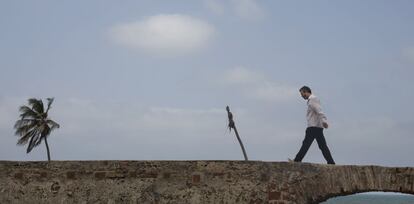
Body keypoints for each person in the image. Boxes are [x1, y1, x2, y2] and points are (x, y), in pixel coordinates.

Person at [293, 86, 335, 164]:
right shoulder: (311, 100)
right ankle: (331, 162)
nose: (302, 96)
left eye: (302, 94)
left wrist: (324, 121)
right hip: (317, 127)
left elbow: (319, 111)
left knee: (306, 144)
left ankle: (297, 160)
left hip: (313, 127)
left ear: (306, 92)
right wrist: (323, 122)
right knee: (322, 146)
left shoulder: (312, 99)